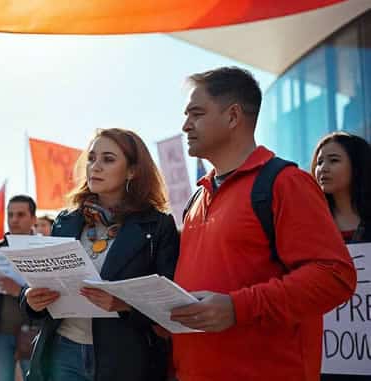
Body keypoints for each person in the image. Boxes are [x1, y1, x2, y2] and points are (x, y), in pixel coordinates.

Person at [171, 67, 357, 381]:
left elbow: (335, 276)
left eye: (196, 113)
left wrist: (237, 307)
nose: (185, 125)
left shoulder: (286, 183)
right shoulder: (197, 197)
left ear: (233, 117)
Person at [23, 128, 180, 381]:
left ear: (132, 170)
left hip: (123, 359)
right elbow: (41, 280)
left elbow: (169, 302)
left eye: (108, 159)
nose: (95, 166)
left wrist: (124, 305)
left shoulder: (158, 225)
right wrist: (30, 299)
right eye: (92, 158)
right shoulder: (65, 220)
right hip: (61, 352)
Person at [311, 132, 371, 381]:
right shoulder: (308, 227)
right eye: (320, 162)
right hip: (325, 360)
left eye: (334, 160)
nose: (323, 168)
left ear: (357, 165)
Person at [0, 195, 40, 381]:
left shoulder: (44, 251)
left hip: (35, 333)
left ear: (33, 219)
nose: (14, 220)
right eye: (10, 215)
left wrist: (19, 291)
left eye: (20, 214)